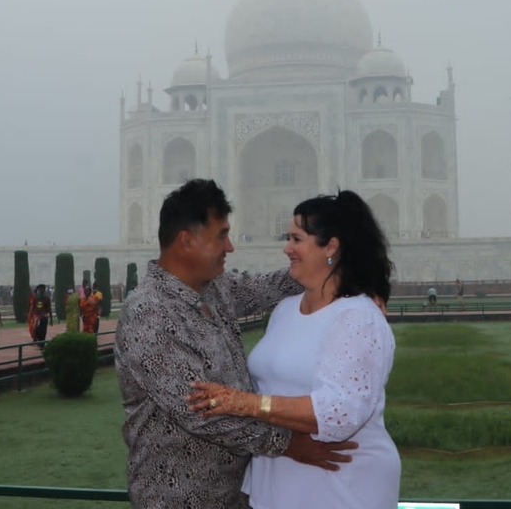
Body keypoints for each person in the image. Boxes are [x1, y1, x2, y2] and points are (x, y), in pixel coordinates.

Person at [115, 179, 358, 509]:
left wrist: (340, 270)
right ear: (186, 241)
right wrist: (288, 444)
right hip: (176, 496)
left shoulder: (214, 289)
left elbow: (268, 287)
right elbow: (200, 411)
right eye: (221, 236)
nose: (229, 247)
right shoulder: (149, 313)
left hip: (236, 493)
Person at [187, 190, 400, 509]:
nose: (287, 248)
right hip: (278, 479)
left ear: (331, 246)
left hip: (340, 483)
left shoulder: (358, 318)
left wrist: (244, 404)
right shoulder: (286, 309)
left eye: (297, 239)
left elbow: (339, 412)